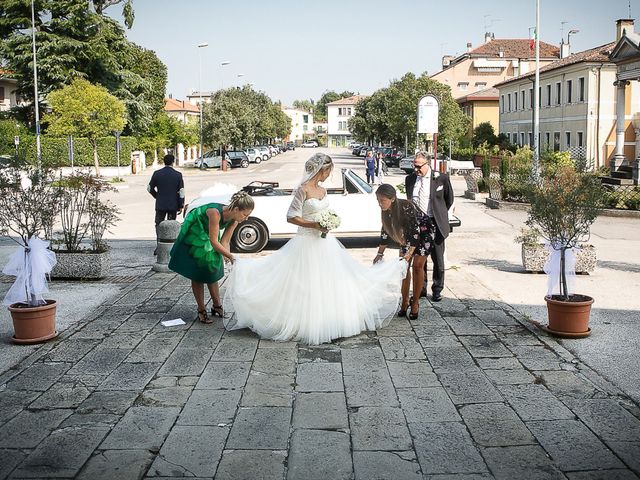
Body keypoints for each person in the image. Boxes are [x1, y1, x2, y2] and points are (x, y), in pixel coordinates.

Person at [223, 153, 407, 345]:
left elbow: (324, 212)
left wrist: (329, 221)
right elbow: (291, 216)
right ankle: (305, 321)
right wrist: (315, 225)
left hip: (324, 242)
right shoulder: (303, 190)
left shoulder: (323, 191)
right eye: (329, 171)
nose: (329, 174)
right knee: (304, 282)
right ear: (322, 169)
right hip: (305, 242)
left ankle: (329, 319)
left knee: (329, 282)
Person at [168, 191, 254, 324]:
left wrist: (227, 256)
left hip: (209, 232)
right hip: (195, 228)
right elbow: (214, 242)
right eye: (245, 214)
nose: (246, 218)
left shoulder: (235, 219)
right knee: (200, 267)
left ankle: (217, 305)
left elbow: (225, 241)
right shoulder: (215, 213)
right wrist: (230, 256)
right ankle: (201, 309)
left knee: (214, 265)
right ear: (236, 209)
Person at [405, 152, 454, 304]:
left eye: (419, 166)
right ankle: (421, 289)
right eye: (414, 165)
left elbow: (449, 199)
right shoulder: (410, 179)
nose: (416, 169)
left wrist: (438, 215)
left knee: (438, 258)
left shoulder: (441, 178)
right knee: (420, 258)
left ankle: (437, 289)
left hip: (435, 222)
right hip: (417, 224)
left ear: (427, 164)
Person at [374, 184, 420, 318]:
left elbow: (415, 231)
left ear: (392, 198)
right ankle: (404, 301)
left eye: (382, 200)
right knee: (403, 269)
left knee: (417, 267)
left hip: (423, 234)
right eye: (378, 200)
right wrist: (379, 253)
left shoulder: (406, 206)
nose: (380, 204)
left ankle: (415, 302)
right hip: (407, 238)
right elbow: (385, 232)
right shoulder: (385, 210)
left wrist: (409, 253)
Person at [147, 154, 185, 254]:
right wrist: (181, 205)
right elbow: (181, 191)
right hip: (173, 204)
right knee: (171, 226)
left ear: (164, 162)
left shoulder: (157, 173)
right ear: (173, 161)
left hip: (160, 204)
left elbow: (149, 188)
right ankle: (170, 247)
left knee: (159, 224)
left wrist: (157, 196)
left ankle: (159, 246)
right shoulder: (178, 175)